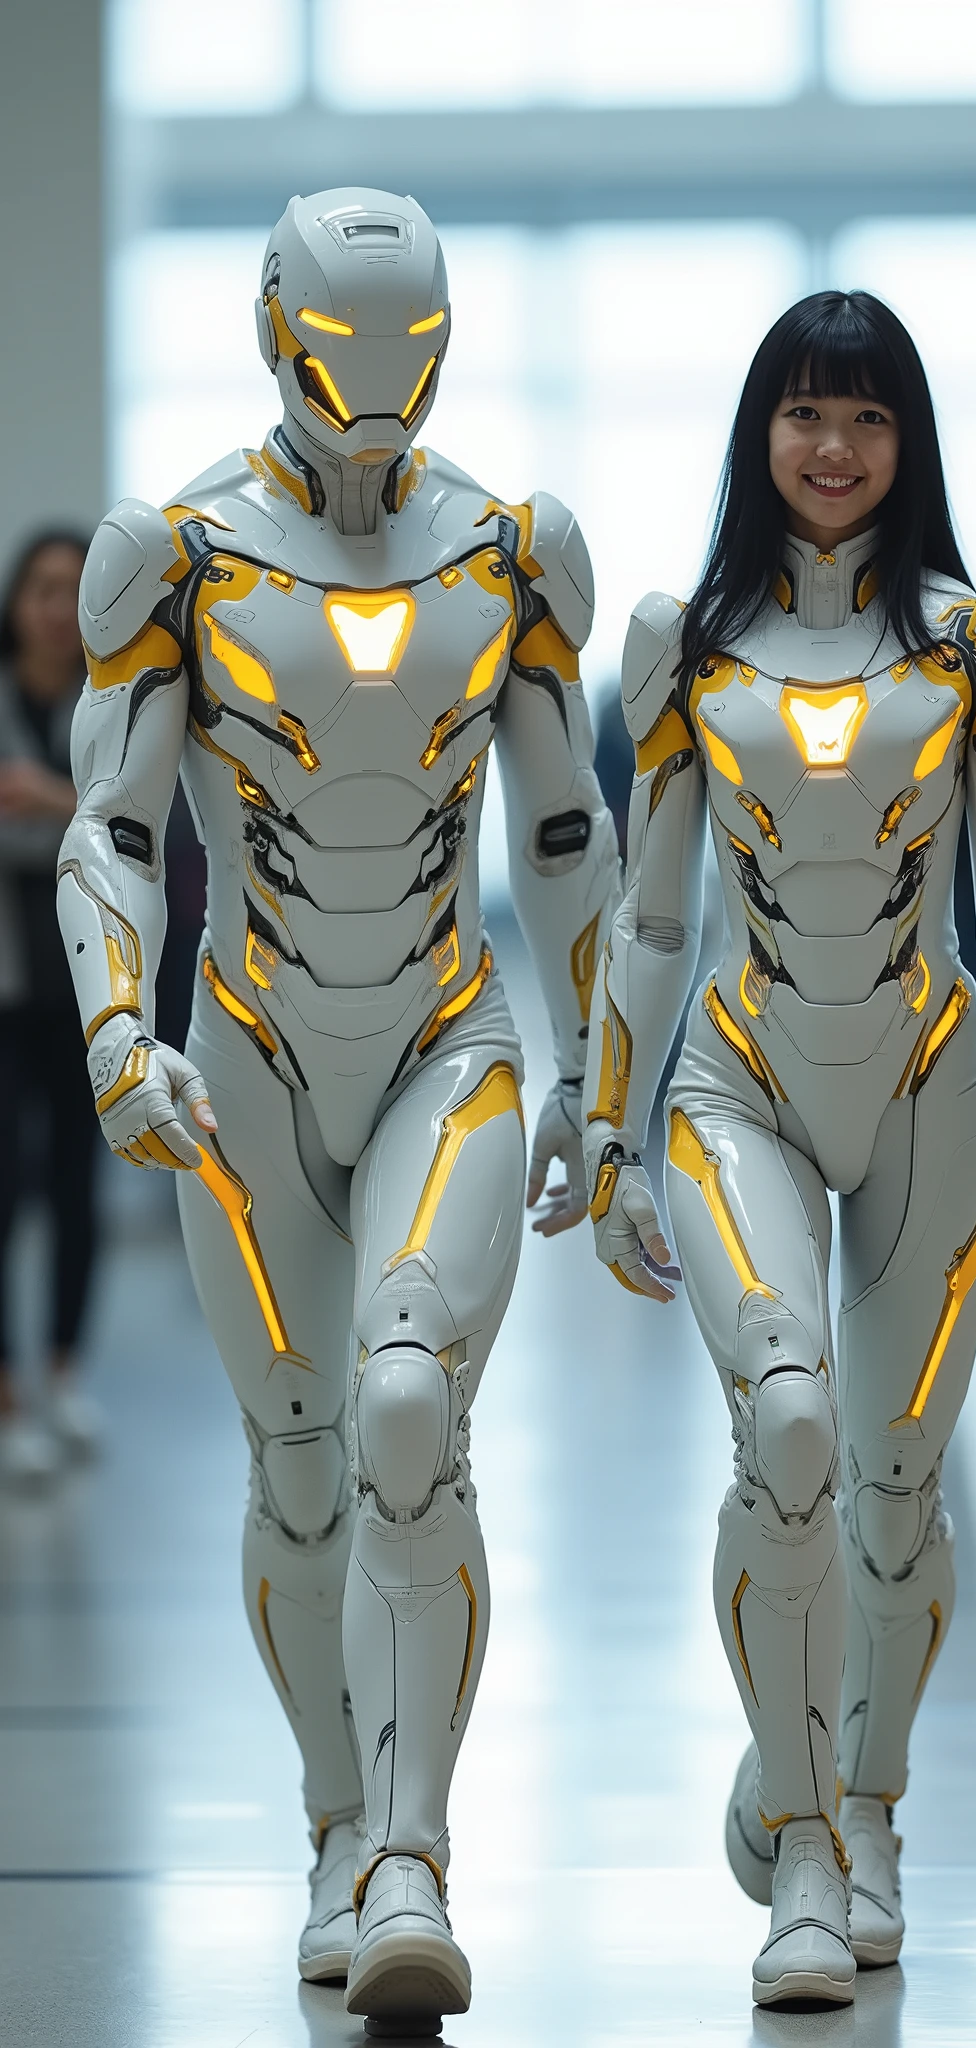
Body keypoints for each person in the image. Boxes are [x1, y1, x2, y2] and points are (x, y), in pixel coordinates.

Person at [57, 188, 618, 2032]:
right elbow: (119, 827)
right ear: (275, 326)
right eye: (341, 340)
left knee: (400, 1400)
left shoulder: (513, 550)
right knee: (298, 1459)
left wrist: (599, 1080)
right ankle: (328, 1822)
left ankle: (408, 1850)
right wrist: (114, 1030)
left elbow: (556, 833)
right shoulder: (181, 551)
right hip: (241, 1057)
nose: (373, 385)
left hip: (450, 1041)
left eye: (407, 342)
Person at [582, 291, 976, 2006]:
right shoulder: (682, 643)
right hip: (731, 1084)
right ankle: (795, 1844)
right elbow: (646, 917)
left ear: (908, 441)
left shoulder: (972, 637)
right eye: (804, 412)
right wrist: (608, 1129)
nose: (831, 448)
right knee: (785, 1424)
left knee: (890, 1489)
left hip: (934, 1086)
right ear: (758, 429)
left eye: (866, 418)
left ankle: (866, 1807)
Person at [0, 529, 101, 1481]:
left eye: (73, 591)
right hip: (5, 985)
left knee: (77, 1184)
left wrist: (51, 802)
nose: (55, 607)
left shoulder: (110, 706)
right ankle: (5, 1396)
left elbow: (139, 831)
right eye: (41, 588)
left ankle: (65, 1374)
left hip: (84, 982)